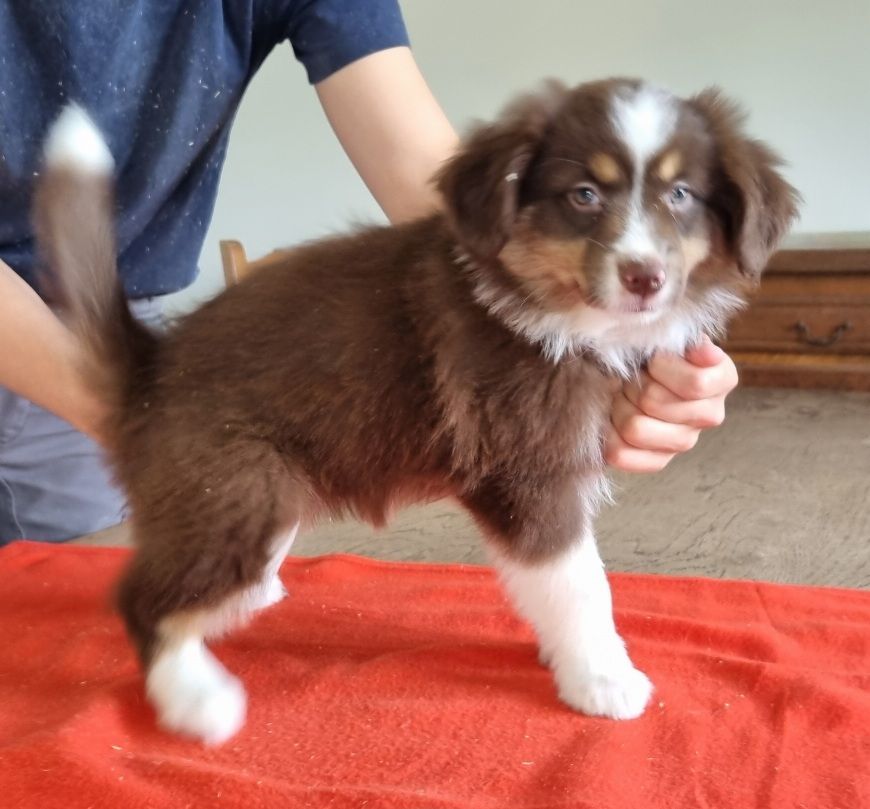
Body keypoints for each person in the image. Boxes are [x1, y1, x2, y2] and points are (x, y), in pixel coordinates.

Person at [0, 1, 737, 545]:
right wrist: (147, 409)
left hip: (101, 324)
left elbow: (436, 195)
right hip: (89, 346)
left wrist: (619, 342)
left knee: (65, 601)